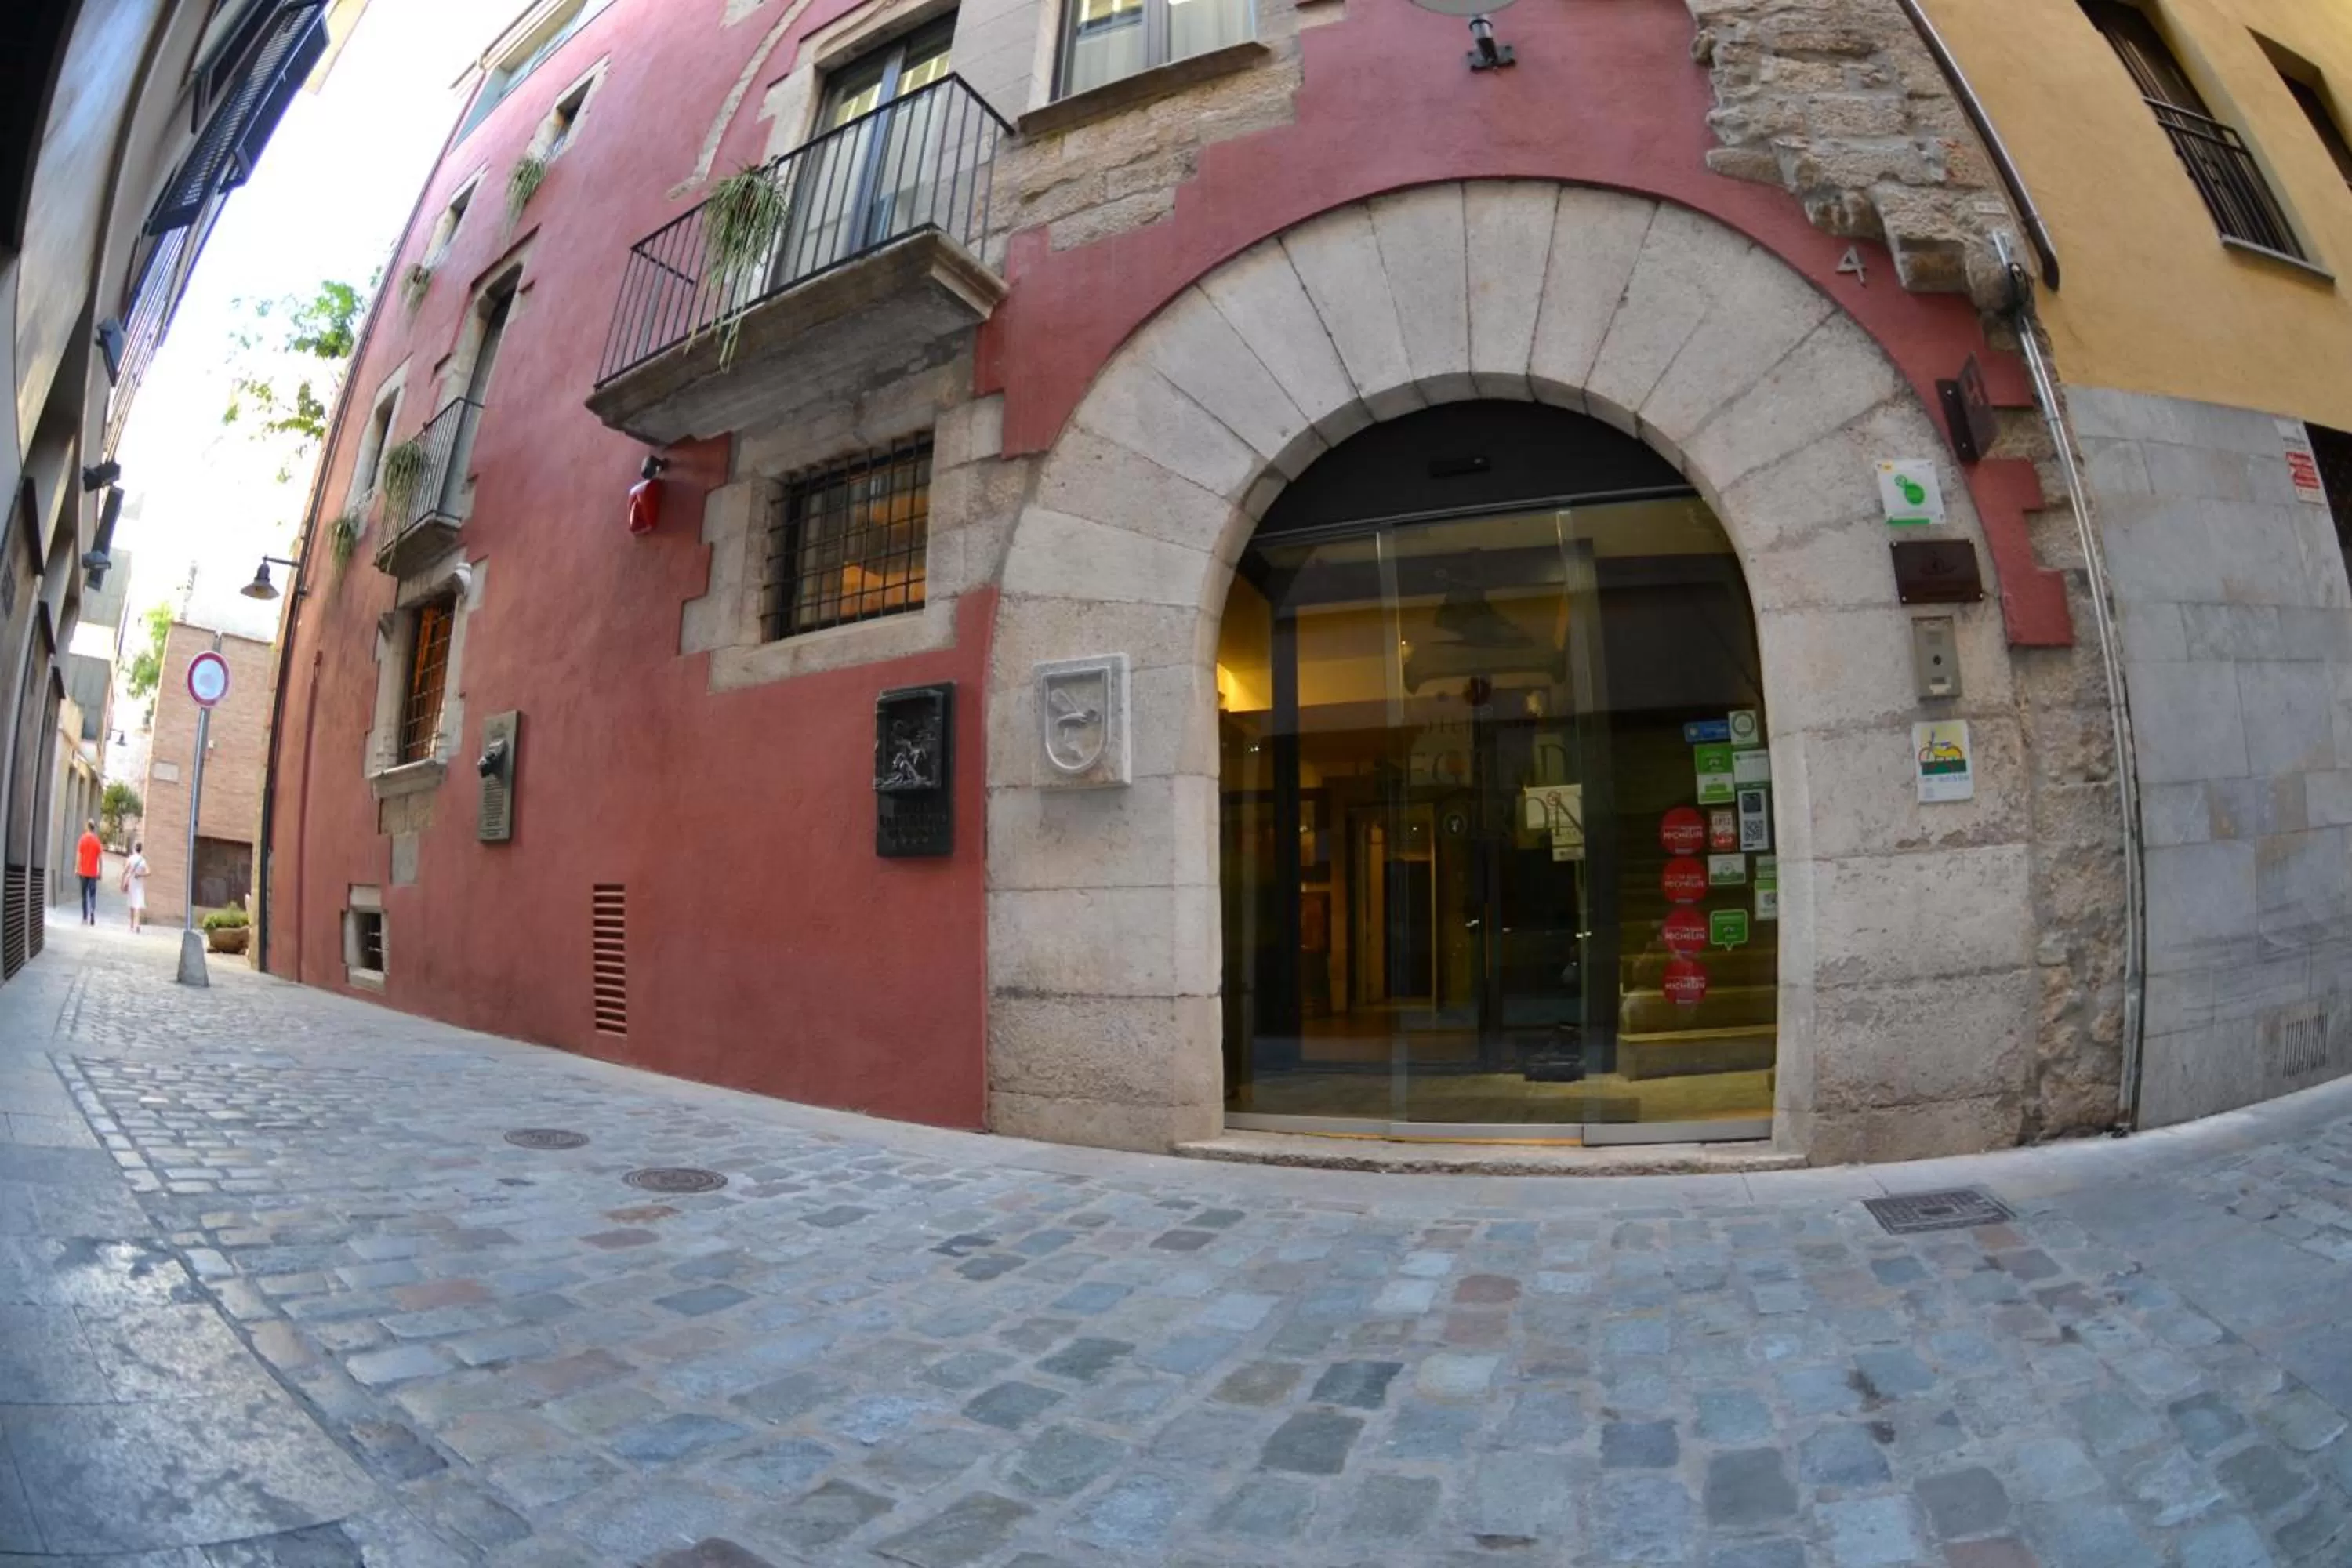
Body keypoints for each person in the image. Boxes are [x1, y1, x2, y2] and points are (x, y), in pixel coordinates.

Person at [74, 819, 103, 925]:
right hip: (93, 873)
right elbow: (100, 859)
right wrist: (101, 872)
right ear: (94, 828)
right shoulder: (97, 841)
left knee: (83, 895)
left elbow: (79, 855)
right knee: (92, 895)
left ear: (87, 826)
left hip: (83, 872)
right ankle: (92, 911)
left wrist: (76, 868)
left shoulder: (82, 839)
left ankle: (85, 917)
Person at [120, 840, 149, 933]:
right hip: (139, 884)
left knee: (132, 904)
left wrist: (122, 881)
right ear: (141, 850)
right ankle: (138, 925)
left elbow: (125, 871)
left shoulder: (131, 859)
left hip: (131, 884)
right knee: (138, 905)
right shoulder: (143, 861)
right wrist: (140, 875)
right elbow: (148, 872)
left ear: (134, 848)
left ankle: (132, 925)